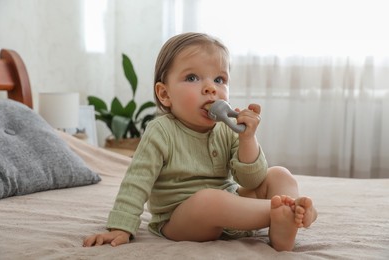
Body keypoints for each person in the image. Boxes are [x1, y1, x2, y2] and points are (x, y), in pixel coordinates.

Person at [83, 32, 317, 251]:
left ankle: (283, 228)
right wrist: (121, 227)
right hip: (181, 220)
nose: (210, 88)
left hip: (232, 207)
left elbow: (252, 180)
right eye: (192, 78)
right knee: (208, 200)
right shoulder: (161, 131)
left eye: (219, 79)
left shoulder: (226, 129)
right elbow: (137, 182)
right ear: (165, 95)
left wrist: (247, 139)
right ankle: (288, 210)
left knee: (279, 174)